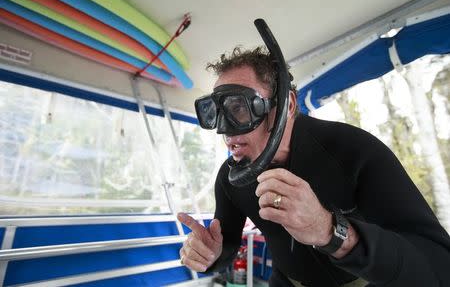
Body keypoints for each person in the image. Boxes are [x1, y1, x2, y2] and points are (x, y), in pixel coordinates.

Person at [177, 46, 450, 286]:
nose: (224, 130)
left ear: (288, 105)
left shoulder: (353, 150)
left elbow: (439, 265)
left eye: (239, 107)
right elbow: (227, 245)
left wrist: (330, 230)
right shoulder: (230, 178)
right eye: (216, 112)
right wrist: (210, 255)